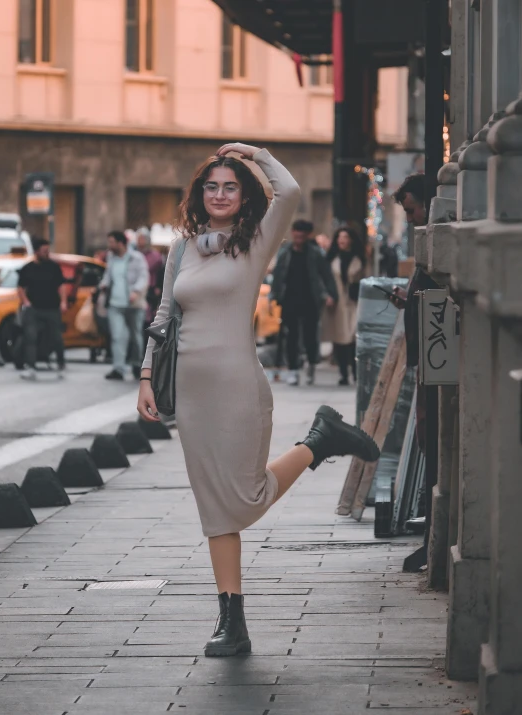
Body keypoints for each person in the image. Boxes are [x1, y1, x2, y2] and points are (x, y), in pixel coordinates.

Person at [137, 142, 380, 658]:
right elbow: (162, 318)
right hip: (191, 393)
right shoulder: (182, 248)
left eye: (230, 186)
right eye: (212, 186)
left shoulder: (255, 242)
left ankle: (318, 441)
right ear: (199, 195)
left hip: (238, 386)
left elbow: (288, 190)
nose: (220, 194)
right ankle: (232, 620)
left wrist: (254, 154)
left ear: (244, 197)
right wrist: (144, 379)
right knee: (214, 508)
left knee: (244, 496)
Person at [392, 172, 437, 451]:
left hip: (434, 351)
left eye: (411, 210)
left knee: (428, 421)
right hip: (427, 353)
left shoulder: (435, 243)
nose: (409, 219)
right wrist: (409, 300)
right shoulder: (427, 243)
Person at [271, 219, 337, 386]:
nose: (298, 237)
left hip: (310, 299)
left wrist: (331, 294)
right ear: (293, 233)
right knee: (290, 336)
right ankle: (293, 370)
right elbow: (278, 275)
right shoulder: (285, 252)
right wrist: (274, 295)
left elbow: (326, 275)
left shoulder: (315, 253)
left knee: (310, 336)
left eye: (302, 235)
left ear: (308, 235)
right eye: (296, 233)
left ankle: (311, 366)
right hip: (289, 299)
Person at [99, 230, 149, 381]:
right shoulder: (111, 258)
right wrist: (103, 285)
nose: (109, 245)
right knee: (117, 336)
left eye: (112, 242)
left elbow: (143, 277)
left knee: (135, 337)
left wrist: (136, 291)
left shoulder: (137, 258)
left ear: (121, 243)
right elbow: (108, 276)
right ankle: (118, 368)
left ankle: (136, 364)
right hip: (115, 303)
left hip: (133, 304)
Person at [17, 238, 66, 381]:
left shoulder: (53, 267)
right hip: (34, 308)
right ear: (37, 252)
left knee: (57, 338)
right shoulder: (28, 268)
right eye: (44, 251)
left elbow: (61, 285)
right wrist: (25, 302)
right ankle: (31, 367)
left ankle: (61, 365)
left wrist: (63, 302)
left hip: (52, 308)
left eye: (48, 251)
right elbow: (21, 287)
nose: (47, 254)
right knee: (30, 336)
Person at [323, 227, 366, 386]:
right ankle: (343, 374)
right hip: (337, 304)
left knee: (354, 338)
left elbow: (363, 279)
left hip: (354, 302)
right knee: (340, 339)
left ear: (351, 240)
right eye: (339, 237)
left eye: (345, 236)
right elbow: (326, 280)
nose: (342, 240)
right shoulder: (331, 258)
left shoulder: (358, 258)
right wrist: (327, 295)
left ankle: (355, 372)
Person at [136, 227, 165, 338]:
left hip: (150, 290)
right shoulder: (133, 255)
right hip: (137, 291)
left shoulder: (155, 256)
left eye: (142, 238)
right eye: (139, 238)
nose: (140, 241)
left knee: (149, 320)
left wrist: (158, 288)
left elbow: (161, 272)